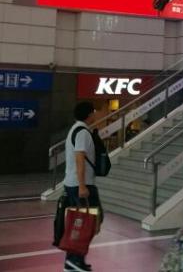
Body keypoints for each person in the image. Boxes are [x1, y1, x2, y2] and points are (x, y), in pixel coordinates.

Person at [63, 102, 102, 272]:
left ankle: (74, 260)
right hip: (81, 185)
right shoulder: (83, 132)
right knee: (89, 221)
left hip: (75, 183)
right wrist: (82, 186)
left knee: (80, 222)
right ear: (89, 114)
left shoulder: (76, 129)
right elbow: (80, 158)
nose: (95, 115)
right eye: (94, 112)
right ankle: (74, 260)